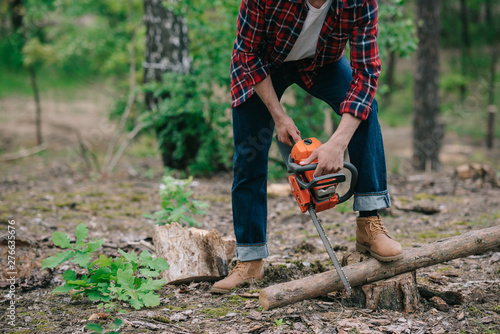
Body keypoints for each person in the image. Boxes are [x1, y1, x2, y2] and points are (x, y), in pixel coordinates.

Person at [211, 0, 402, 294]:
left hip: (321, 62)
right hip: (263, 64)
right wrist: (279, 116)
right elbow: (247, 53)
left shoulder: (360, 2)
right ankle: (250, 259)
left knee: (365, 111)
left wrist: (338, 143)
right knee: (248, 154)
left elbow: (366, 74)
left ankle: (369, 223)